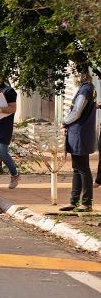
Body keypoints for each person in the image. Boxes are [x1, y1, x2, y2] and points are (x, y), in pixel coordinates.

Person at [60, 67, 96, 212]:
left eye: (74, 73)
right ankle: (73, 201)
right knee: (77, 168)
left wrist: (64, 121)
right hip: (79, 132)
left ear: (81, 74)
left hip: (80, 133)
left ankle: (86, 203)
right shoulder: (87, 88)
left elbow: (76, 112)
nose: (73, 76)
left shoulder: (85, 90)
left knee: (83, 168)